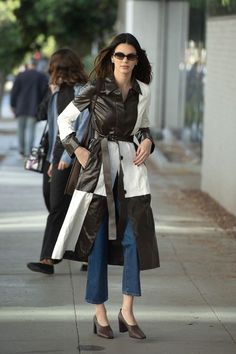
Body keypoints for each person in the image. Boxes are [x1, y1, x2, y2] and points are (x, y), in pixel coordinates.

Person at [52, 33, 160, 339]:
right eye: (121, 55)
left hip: (131, 174)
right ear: (112, 57)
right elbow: (65, 120)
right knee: (97, 244)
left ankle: (127, 311)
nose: (126, 61)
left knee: (133, 241)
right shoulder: (96, 87)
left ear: (138, 60)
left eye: (132, 57)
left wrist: (149, 141)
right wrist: (77, 148)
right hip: (97, 173)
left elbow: (144, 126)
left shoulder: (144, 91)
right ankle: (99, 314)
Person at [27, 48, 89, 275]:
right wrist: (51, 93)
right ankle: (88, 253)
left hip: (70, 157)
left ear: (64, 69)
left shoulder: (81, 91)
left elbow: (82, 126)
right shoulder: (57, 90)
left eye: (56, 68)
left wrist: (66, 156)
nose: (52, 72)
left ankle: (48, 260)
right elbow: (41, 115)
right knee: (56, 203)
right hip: (52, 156)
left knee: (57, 208)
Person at [10, 59, 48, 158]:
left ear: (29, 65)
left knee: (20, 130)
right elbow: (45, 92)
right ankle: (28, 151)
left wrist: (13, 105)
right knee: (30, 130)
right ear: (36, 65)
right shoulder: (41, 77)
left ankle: (21, 150)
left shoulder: (20, 76)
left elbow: (14, 92)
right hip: (34, 107)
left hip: (20, 107)